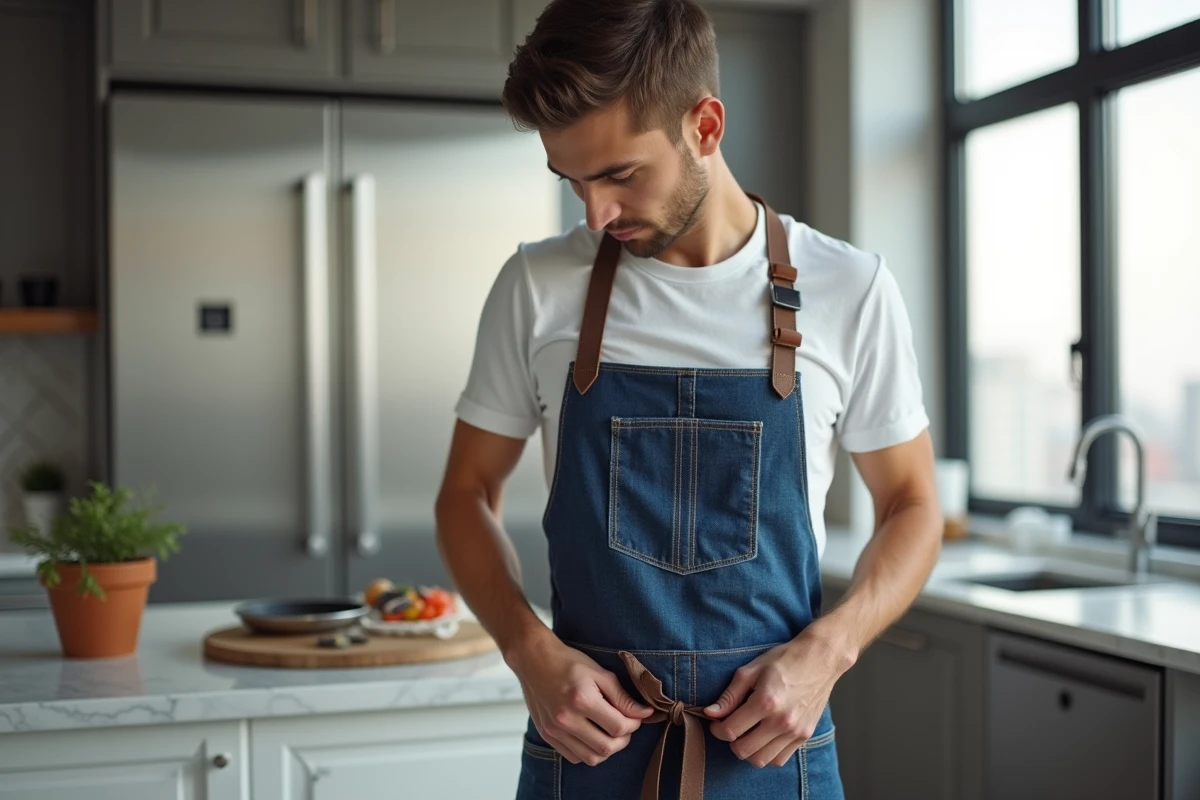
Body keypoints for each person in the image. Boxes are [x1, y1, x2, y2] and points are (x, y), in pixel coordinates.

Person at [433, 1, 943, 797]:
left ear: (704, 125)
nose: (595, 213)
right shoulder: (535, 287)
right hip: (587, 754)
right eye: (571, 180)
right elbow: (465, 495)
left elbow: (913, 504)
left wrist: (828, 653)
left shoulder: (851, 290)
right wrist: (527, 652)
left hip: (773, 754)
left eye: (619, 174)